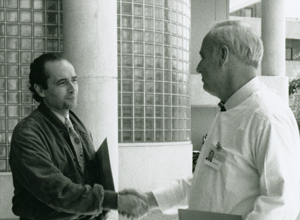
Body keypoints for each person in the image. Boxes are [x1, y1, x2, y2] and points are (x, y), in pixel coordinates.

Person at [122, 20, 300, 219]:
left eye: (202, 57)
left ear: (223, 55)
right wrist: (149, 201)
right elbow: (204, 182)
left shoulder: (267, 118)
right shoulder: (231, 109)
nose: (198, 67)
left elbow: (280, 206)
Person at [9, 53, 148, 220]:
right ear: (40, 89)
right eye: (62, 83)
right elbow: (57, 191)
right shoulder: (27, 133)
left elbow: (87, 182)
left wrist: (112, 199)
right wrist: (114, 200)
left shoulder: (77, 125)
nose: (72, 88)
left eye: (74, 80)